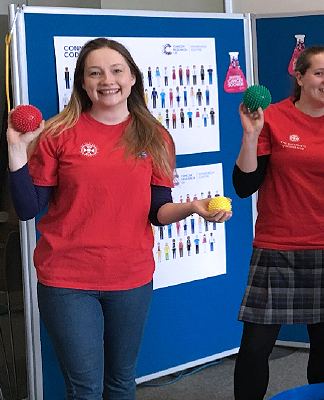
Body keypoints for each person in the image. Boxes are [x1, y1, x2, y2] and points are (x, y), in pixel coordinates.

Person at [6, 37, 231, 400]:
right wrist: (17, 149)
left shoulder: (155, 136)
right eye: (95, 73)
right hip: (68, 280)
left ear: (132, 79)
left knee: (122, 381)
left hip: (131, 278)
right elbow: (28, 208)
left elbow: (157, 211)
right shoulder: (59, 134)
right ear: (82, 82)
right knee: (85, 387)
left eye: (116, 71)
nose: (106, 80)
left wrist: (193, 207)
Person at [232, 45, 324, 400]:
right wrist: (250, 135)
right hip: (279, 244)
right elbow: (244, 186)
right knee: (254, 346)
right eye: (319, 73)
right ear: (299, 77)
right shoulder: (272, 119)